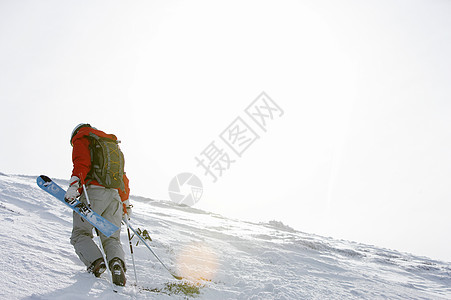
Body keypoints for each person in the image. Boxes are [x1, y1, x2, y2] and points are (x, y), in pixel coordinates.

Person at [65, 123, 131, 286]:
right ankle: (116, 264)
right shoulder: (112, 145)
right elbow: (122, 177)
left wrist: (75, 186)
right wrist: (125, 204)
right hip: (114, 197)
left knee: (80, 234)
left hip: (93, 194)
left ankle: (96, 262)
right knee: (111, 237)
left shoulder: (82, 138)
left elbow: (81, 163)